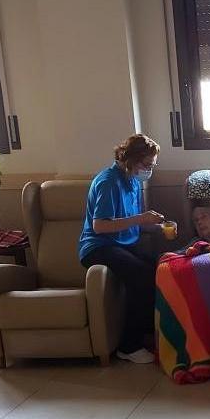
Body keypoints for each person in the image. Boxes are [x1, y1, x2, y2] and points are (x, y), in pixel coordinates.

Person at [78, 133, 164, 365]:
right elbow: (100, 225)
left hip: (123, 244)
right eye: (147, 165)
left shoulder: (133, 181)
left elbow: (131, 221)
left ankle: (148, 333)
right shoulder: (108, 182)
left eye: (152, 165)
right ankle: (129, 346)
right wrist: (141, 218)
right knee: (141, 275)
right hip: (98, 246)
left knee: (159, 266)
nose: (149, 170)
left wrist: (157, 227)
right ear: (131, 160)